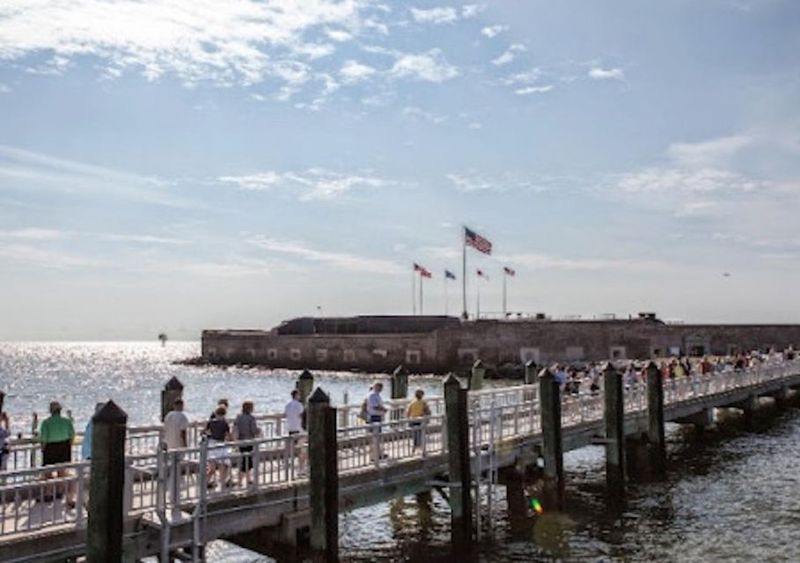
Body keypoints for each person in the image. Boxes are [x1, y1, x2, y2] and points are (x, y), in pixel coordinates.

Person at [39, 401, 76, 506]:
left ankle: (49, 493)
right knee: (62, 471)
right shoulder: (67, 421)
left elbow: (44, 439)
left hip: (50, 447)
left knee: (48, 472)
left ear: (51, 410)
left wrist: (43, 449)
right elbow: (72, 435)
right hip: (64, 446)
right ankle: (59, 491)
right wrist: (69, 445)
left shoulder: (46, 422)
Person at [233, 401, 261, 486]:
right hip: (249, 441)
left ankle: (248, 479)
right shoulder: (251, 418)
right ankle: (240, 481)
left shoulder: (238, 417)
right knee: (247, 462)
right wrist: (259, 430)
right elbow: (254, 430)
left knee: (245, 460)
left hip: (241, 441)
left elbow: (235, 427)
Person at [205, 405, 233, 489]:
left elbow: (205, 432)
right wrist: (233, 442)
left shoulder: (211, 422)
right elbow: (228, 435)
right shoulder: (224, 423)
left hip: (211, 444)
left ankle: (206, 482)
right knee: (223, 465)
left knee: (211, 467)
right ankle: (223, 483)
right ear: (224, 414)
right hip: (220, 444)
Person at [284, 390, 306, 475]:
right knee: (302, 450)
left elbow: (286, 414)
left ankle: (289, 466)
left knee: (292, 449)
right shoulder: (299, 405)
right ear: (296, 395)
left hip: (290, 429)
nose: (300, 396)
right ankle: (301, 469)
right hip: (299, 429)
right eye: (299, 395)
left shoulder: (288, 405)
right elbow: (301, 415)